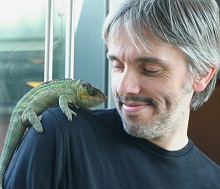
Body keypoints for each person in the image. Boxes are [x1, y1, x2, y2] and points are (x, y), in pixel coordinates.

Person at [3, 0, 220, 188]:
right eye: (117, 66)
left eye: (149, 70)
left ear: (201, 74)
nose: (124, 88)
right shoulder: (60, 135)